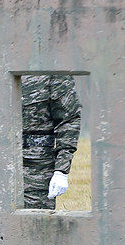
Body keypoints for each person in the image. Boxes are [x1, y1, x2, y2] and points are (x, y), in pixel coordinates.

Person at [21, 74, 81, 209]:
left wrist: (61, 170)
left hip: (35, 171)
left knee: (35, 225)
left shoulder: (52, 73)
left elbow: (68, 121)